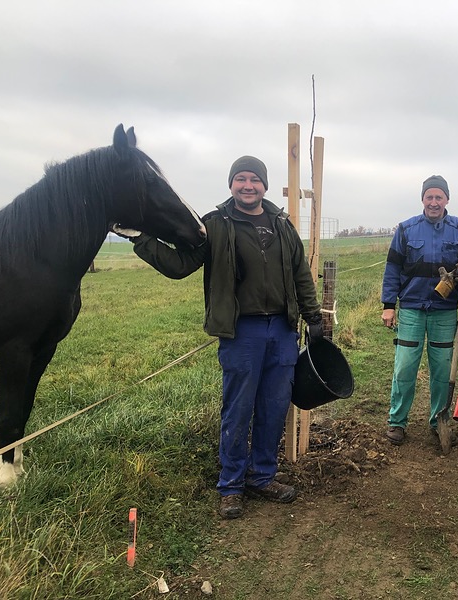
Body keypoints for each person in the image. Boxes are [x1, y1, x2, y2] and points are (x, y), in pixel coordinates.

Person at [118, 156, 323, 520]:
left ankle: (262, 477)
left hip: (281, 330)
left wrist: (313, 316)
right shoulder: (214, 225)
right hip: (241, 331)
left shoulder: (281, 224)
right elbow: (179, 265)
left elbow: (299, 273)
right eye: (241, 179)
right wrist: (141, 239)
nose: (248, 185)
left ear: (264, 185)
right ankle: (230, 486)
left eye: (254, 180)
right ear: (231, 185)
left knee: (275, 407)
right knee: (238, 409)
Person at [381, 175, 458, 446]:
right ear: (422, 199)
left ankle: (439, 421)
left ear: (447, 199)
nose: (434, 202)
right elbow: (392, 269)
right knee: (404, 367)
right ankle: (397, 422)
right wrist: (389, 306)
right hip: (412, 308)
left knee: (441, 370)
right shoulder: (406, 229)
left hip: (445, 311)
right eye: (429, 197)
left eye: (439, 197)